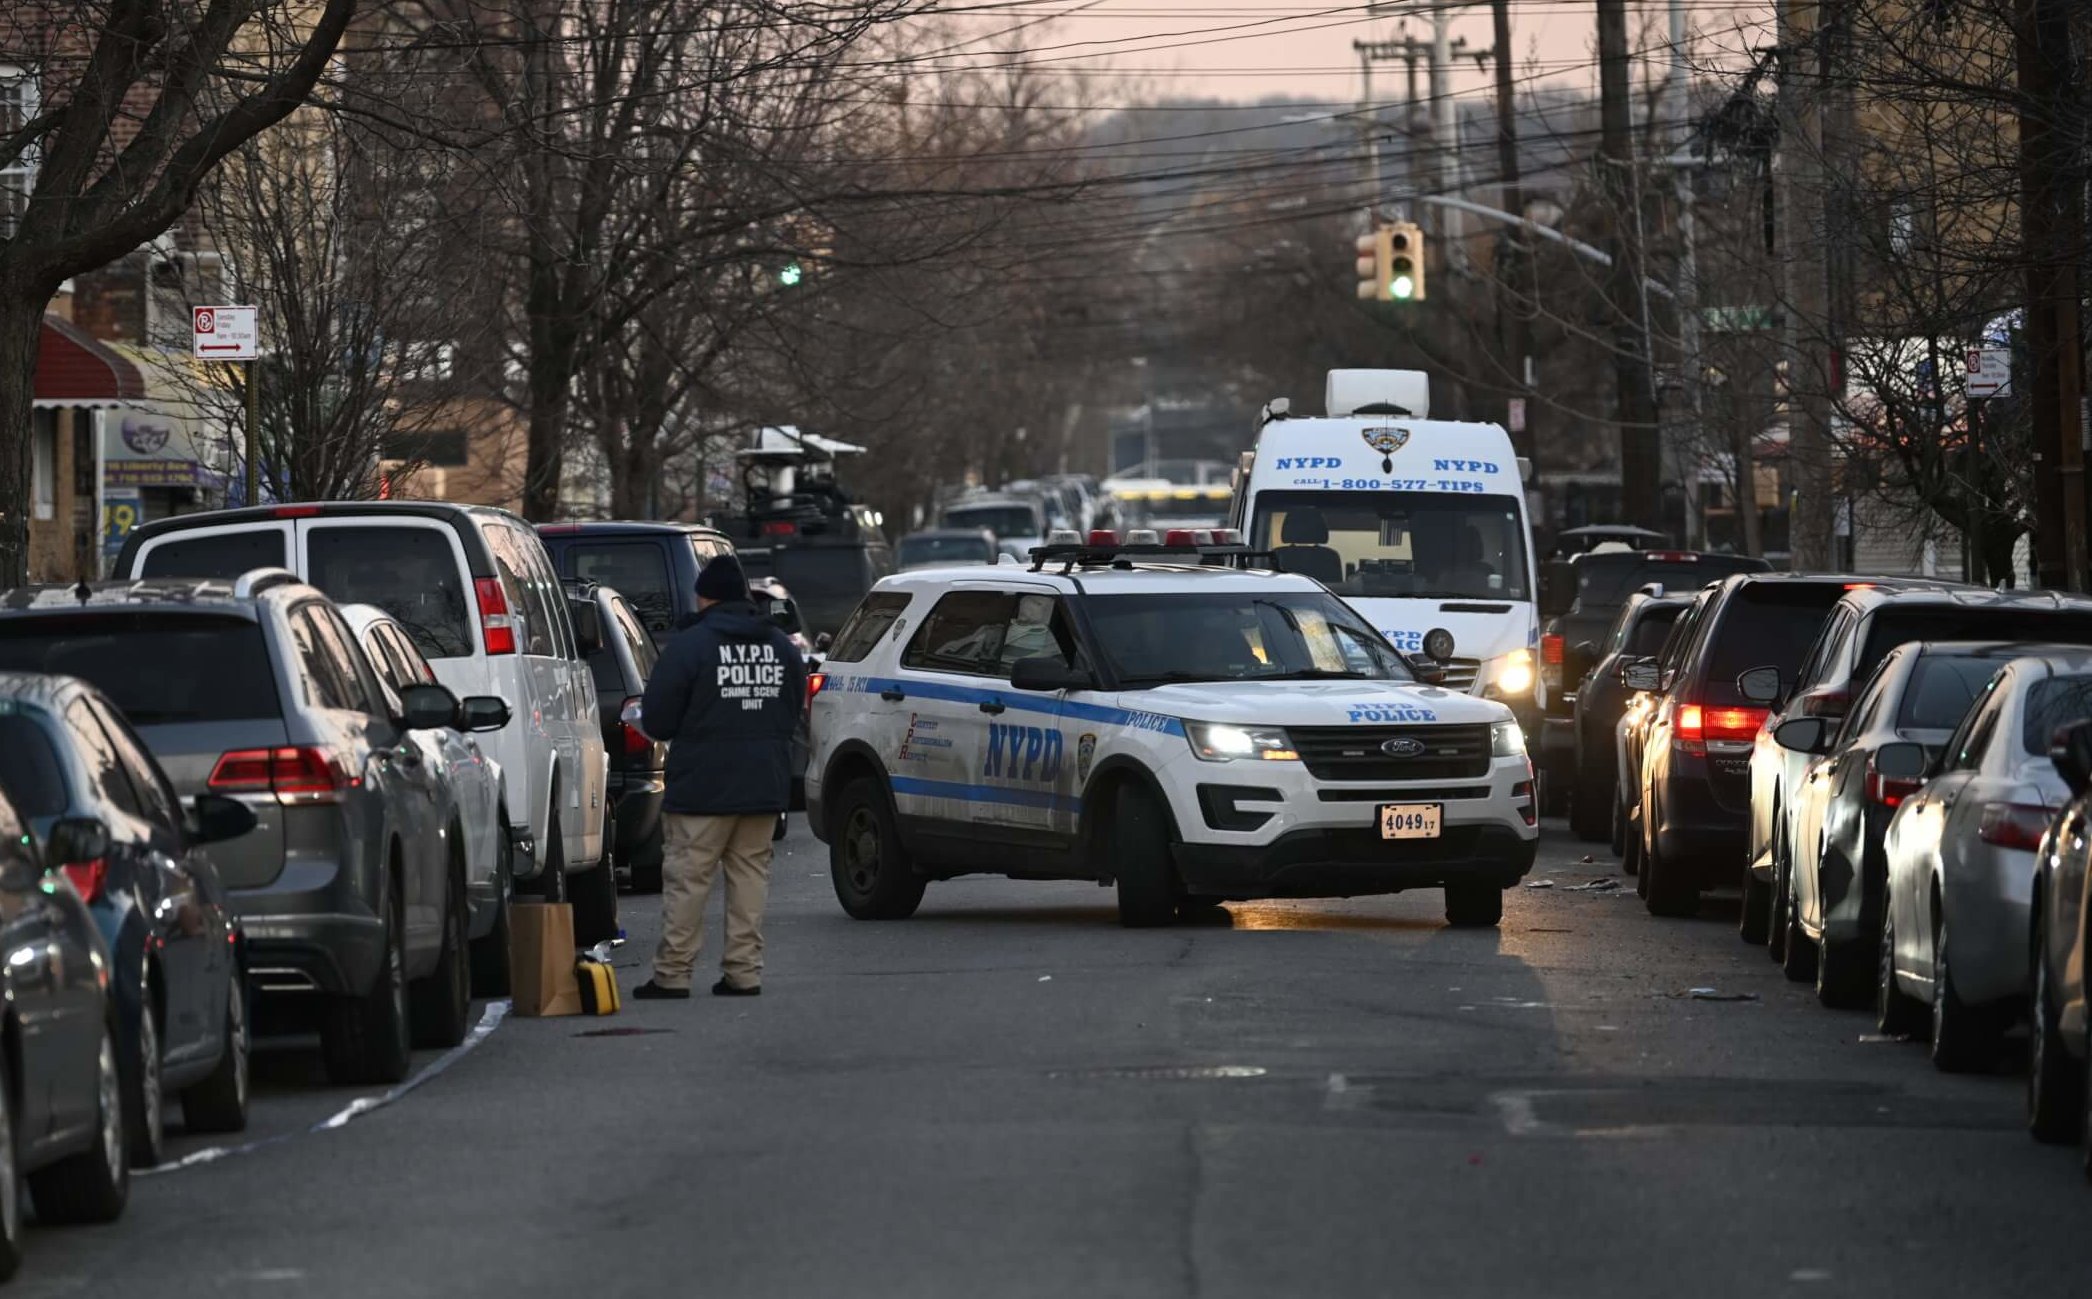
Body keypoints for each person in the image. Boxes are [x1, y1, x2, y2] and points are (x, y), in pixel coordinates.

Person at [632, 552, 806, 1000]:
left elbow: (659, 720)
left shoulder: (690, 647)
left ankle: (673, 975)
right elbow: (793, 713)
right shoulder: (782, 647)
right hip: (762, 782)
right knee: (750, 879)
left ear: (704, 597)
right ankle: (743, 973)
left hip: (701, 788)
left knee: (689, 881)